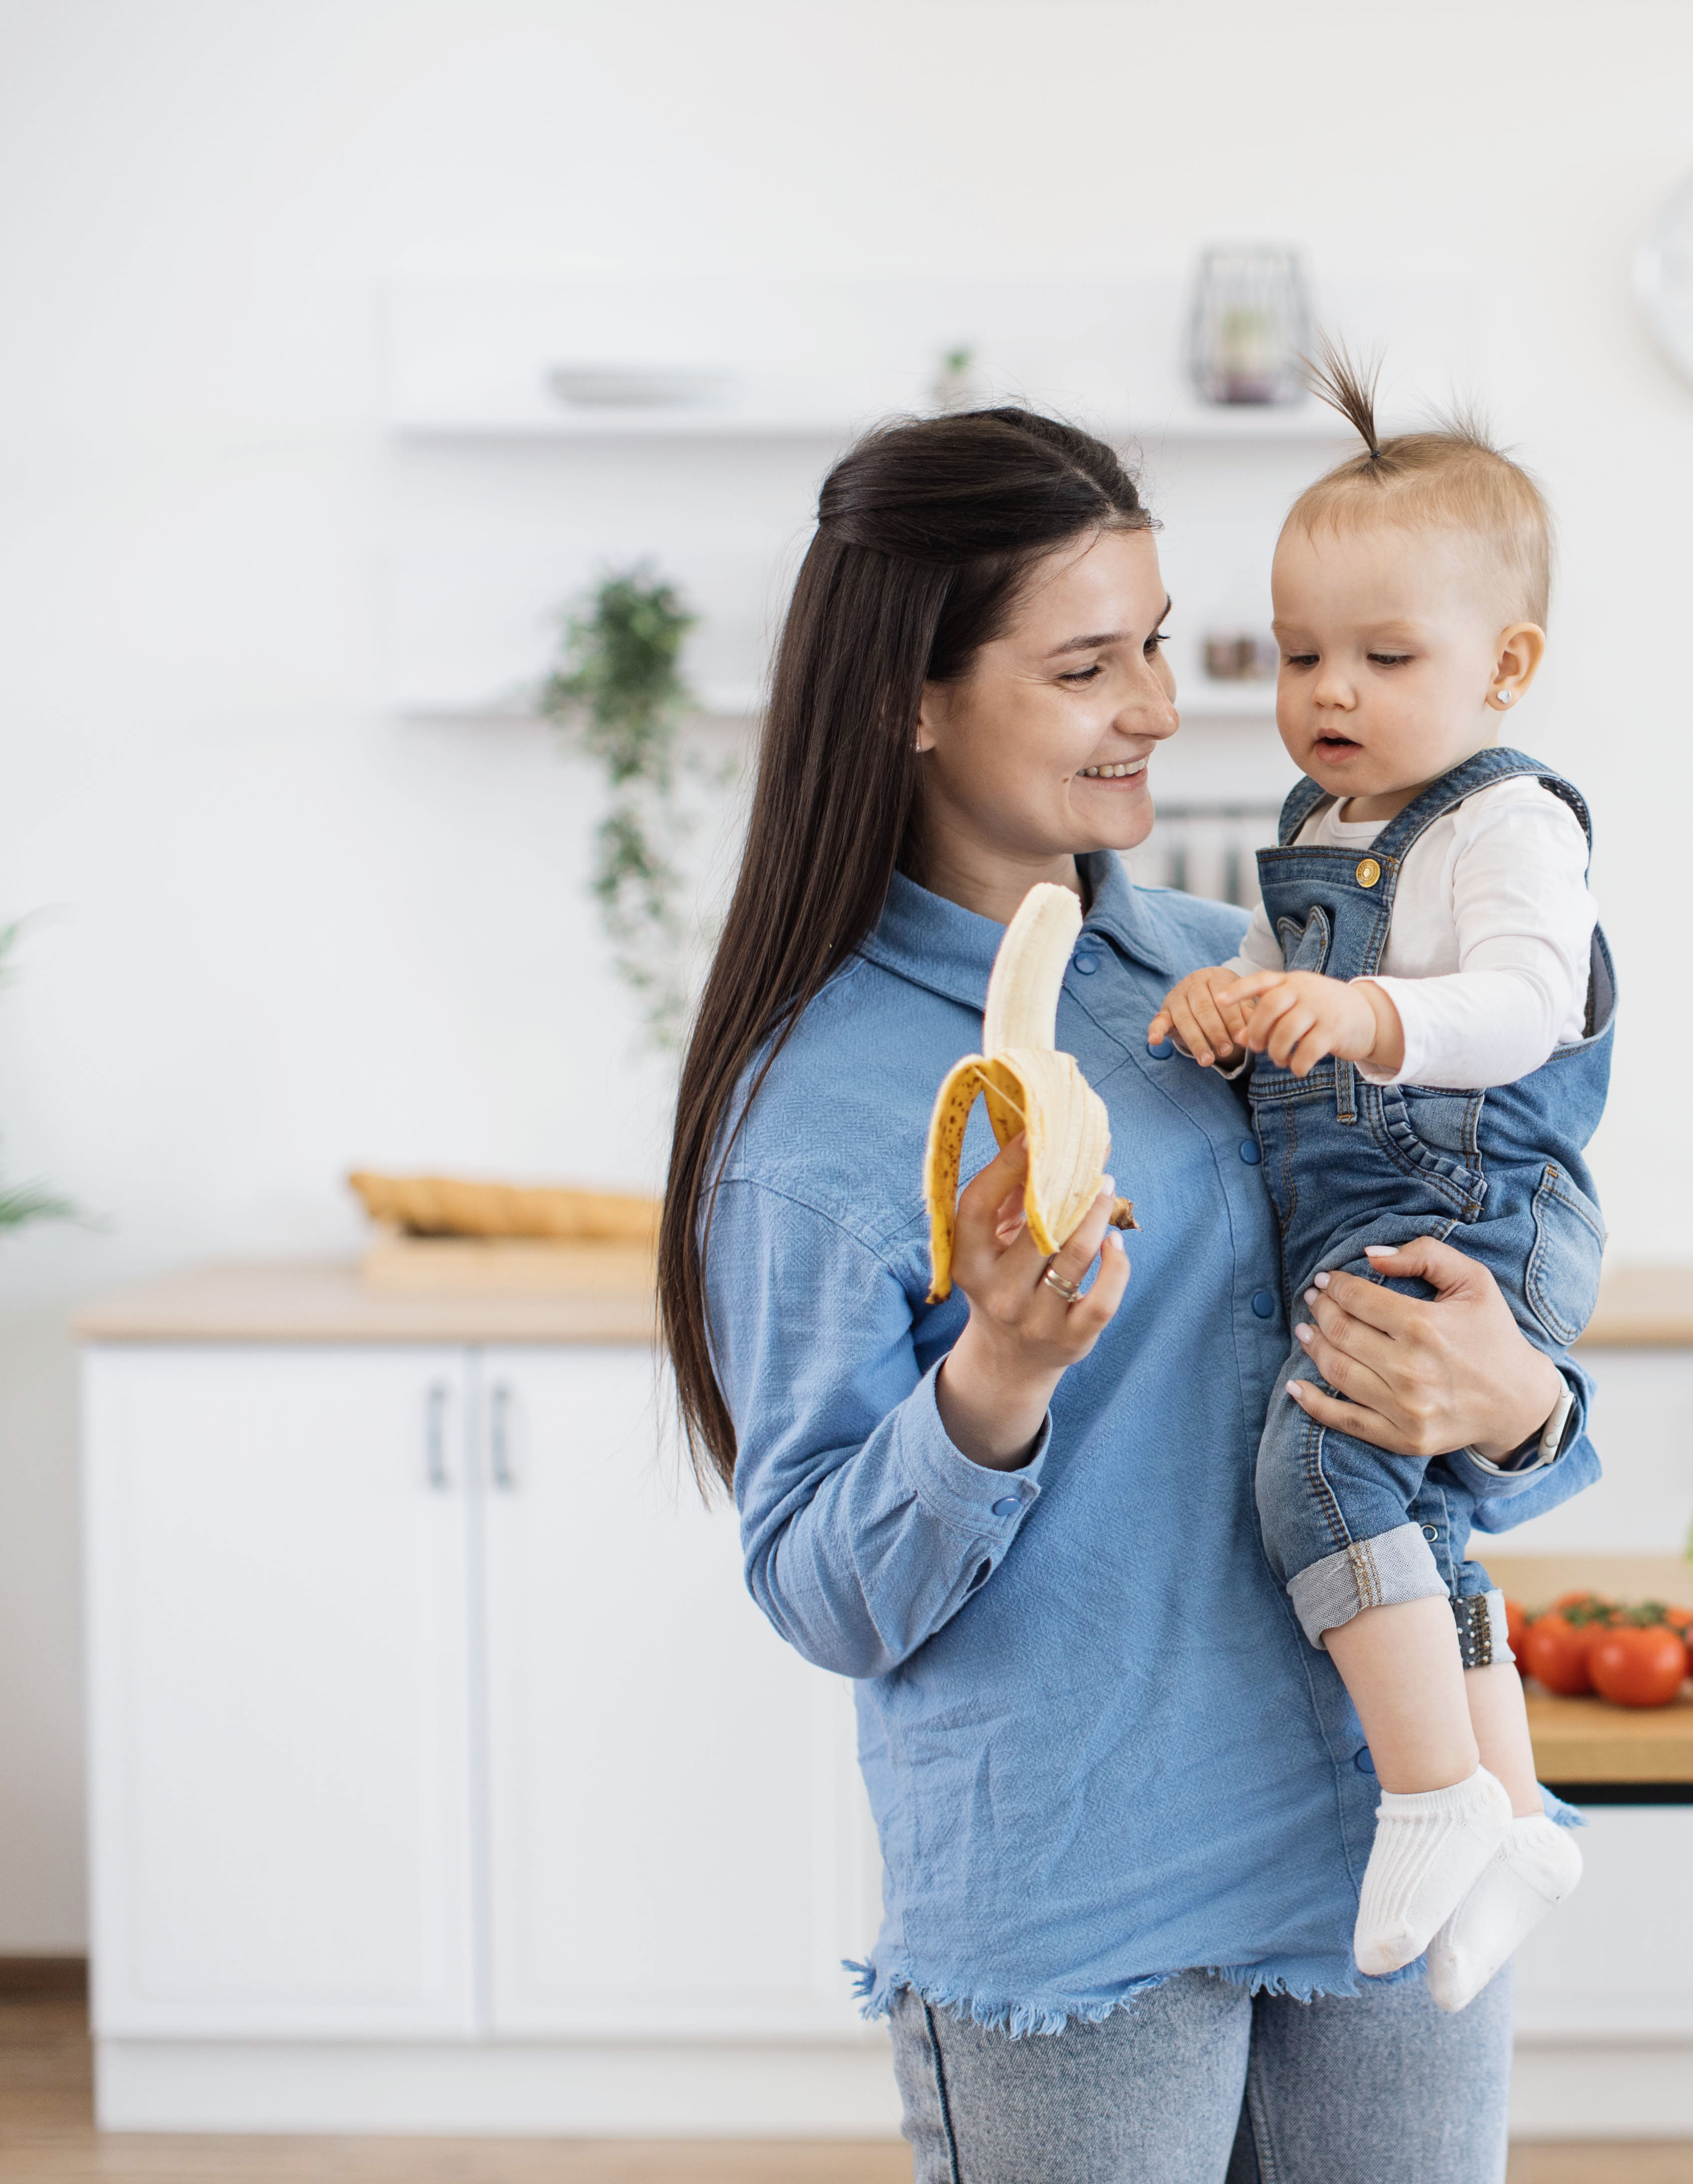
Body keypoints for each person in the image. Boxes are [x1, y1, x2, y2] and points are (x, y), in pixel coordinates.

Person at [657, 404, 1595, 2183]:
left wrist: (1516, 1403)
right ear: (907, 700)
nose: (1161, 708)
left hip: (1389, 1841)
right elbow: (820, 1591)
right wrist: (994, 1381)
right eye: (1089, 665)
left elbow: (1449, 1378)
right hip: (1081, 1902)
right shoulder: (822, 1112)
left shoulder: (1237, 979)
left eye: (1159, 646)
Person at [1152, 360, 1605, 2007]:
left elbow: (1530, 1005)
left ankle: (1431, 1796)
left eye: (1382, 657)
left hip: (1478, 1210)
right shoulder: (1318, 816)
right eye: (1297, 655)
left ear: (1508, 666)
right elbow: (1287, 983)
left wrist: (1364, 1016)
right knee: (1412, 1522)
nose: (1328, 691)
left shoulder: (1510, 824)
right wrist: (1238, 1002)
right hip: (1368, 1208)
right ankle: (1511, 1812)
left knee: (1320, 1485)